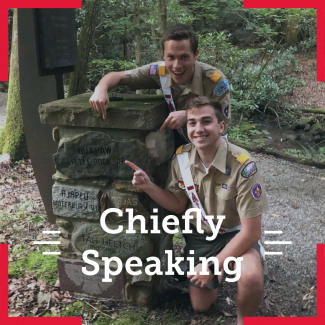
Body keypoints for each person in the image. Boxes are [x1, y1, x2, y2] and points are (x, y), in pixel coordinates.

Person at [125, 97, 268, 325]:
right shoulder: (181, 159)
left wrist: (214, 264)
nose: (198, 129)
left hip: (235, 234)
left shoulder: (243, 164)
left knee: (250, 276)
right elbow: (178, 205)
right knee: (200, 306)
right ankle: (218, 268)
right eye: (192, 123)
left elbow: (252, 232)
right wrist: (148, 186)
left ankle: (244, 318)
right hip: (201, 237)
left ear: (221, 126)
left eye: (206, 121)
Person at [89, 24, 230, 147]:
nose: (176, 66)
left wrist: (188, 115)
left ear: (196, 55)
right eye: (171, 57)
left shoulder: (214, 80)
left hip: (210, 143)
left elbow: (221, 124)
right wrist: (101, 88)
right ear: (163, 55)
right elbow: (118, 76)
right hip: (177, 142)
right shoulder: (159, 72)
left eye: (184, 57)